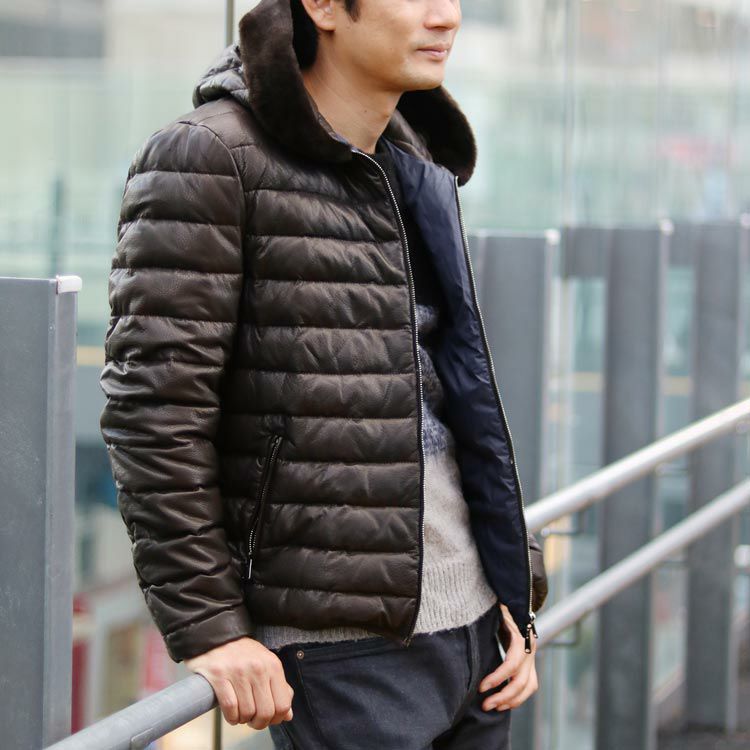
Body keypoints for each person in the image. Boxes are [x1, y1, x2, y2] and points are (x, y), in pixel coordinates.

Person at [99, 0, 550, 747]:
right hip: (343, 654)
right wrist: (210, 624)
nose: (447, 16)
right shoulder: (209, 156)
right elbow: (154, 416)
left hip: (478, 637)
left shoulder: (413, 164)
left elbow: (456, 395)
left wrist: (513, 578)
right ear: (322, 6)